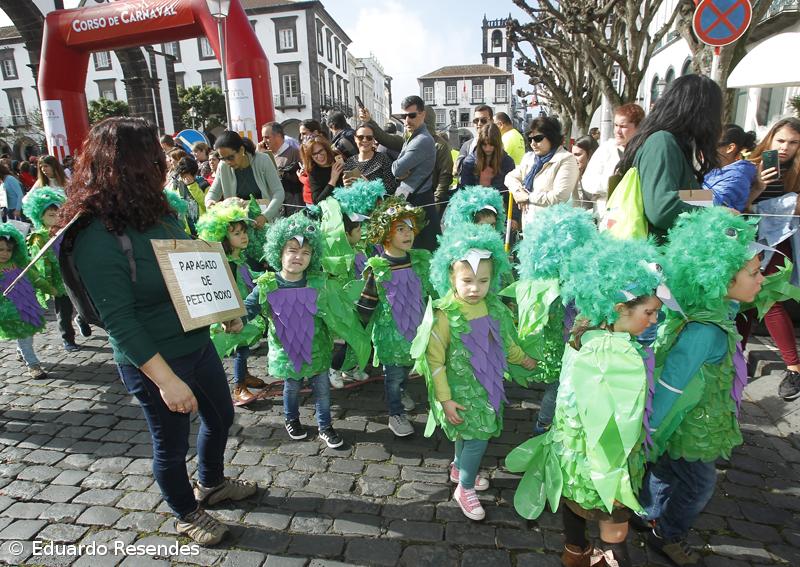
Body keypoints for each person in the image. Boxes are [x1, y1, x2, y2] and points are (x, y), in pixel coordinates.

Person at [61, 117, 256, 546]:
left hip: (195, 344)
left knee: (221, 416)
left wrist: (223, 309)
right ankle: (186, 512)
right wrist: (166, 381)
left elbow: (189, 264)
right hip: (153, 360)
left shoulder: (158, 210)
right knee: (170, 445)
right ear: (129, 163)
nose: (164, 162)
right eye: (154, 155)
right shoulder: (96, 234)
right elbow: (120, 322)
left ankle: (212, 483)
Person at [507, 234, 665, 567]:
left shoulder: (583, 329)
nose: (654, 320)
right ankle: (610, 557)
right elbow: (620, 416)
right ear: (621, 309)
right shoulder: (616, 350)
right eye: (649, 313)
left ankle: (575, 553)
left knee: (575, 501)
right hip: (607, 454)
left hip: (574, 449)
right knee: (614, 519)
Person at [638, 208, 765, 566]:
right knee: (698, 485)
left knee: (665, 471)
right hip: (692, 429)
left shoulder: (716, 312)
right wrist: (650, 431)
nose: (761, 279)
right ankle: (669, 534)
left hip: (693, 423)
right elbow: (671, 383)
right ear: (720, 279)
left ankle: (648, 512)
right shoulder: (703, 331)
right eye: (754, 273)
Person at [413, 225, 537, 521]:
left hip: (488, 385)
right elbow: (436, 362)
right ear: (451, 278)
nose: (474, 288)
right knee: (477, 436)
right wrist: (445, 399)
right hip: (460, 390)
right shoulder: (445, 315)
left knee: (468, 434)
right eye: (467, 280)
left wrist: (525, 360)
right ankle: (464, 488)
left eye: (483, 281)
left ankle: (459, 467)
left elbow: (504, 342)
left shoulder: (493, 307)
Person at [243, 213, 369, 447]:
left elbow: (338, 311)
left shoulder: (319, 283)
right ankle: (291, 419)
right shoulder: (268, 284)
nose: (298, 256)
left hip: (318, 349)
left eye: (305, 252)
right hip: (287, 352)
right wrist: (235, 320)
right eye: (292, 250)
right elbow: (248, 308)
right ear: (279, 252)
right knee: (291, 387)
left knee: (322, 390)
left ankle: (325, 425)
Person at [507, 204, 597, 436]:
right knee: (557, 386)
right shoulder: (546, 286)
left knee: (565, 386)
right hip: (562, 348)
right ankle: (544, 425)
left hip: (581, 347)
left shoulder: (584, 282)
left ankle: (557, 424)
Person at [357, 196, 435, 437]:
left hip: (416, 328)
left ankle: (401, 390)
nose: (408, 233)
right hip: (390, 334)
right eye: (400, 228)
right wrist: (357, 330)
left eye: (411, 227)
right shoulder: (378, 268)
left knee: (408, 368)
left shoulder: (420, 261)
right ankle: (395, 413)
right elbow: (367, 302)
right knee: (393, 375)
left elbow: (431, 292)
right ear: (386, 233)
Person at [616, 75, 722, 243]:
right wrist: (715, 214)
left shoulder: (667, 142)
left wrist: (704, 199)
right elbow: (662, 209)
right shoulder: (663, 142)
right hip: (657, 257)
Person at [742, 117, 800, 400]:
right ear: (769, 140)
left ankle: (793, 367)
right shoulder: (753, 166)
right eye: (780, 141)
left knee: (768, 298)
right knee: (745, 301)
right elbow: (739, 206)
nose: (785, 148)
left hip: (782, 244)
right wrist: (758, 188)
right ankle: (736, 359)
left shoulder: (798, 171)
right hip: (751, 242)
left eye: (793, 143)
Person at [196, 203, 266, 407]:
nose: (243, 236)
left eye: (244, 231)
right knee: (241, 348)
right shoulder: (225, 263)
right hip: (230, 313)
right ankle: (238, 387)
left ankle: (244, 375)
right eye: (236, 233)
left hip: (243, 308)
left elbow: (248, 277)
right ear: (223, 237)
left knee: (243, 345)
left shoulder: (240, 258)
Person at [360, 104, 452, 217]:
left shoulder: (440, 145)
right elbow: (386, 138)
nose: (408, 121)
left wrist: (435, 204)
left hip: (427, 199)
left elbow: (445, 177)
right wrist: (370, 121)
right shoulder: (410, 140)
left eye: (413, 116)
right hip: (411, 196)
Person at [23, 187, 80, 352]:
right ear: (40, 216)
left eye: (58, 214)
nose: (55, 218)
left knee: (83, 301)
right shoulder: (39, 237)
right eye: (50, 215)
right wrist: (47, 284)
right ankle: (67, 337)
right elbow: (40, 263)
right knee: (64, 310)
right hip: (58, 280)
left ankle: (83, 320)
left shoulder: (65, 231)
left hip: (73, 274)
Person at [0, 224, 55, 379]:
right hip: (9, 310)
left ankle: (21, 351)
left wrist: (49, 288)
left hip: (26, 307)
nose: (5, 254)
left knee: (27, 334)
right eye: (1, 249)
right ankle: (33, 364)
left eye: (8, 250)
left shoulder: (19, 266)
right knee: (24, 334)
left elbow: (35, 278)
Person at [505, 116, 580, 228]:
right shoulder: (530, 158)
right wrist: (517, 191)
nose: (533, 143)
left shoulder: (566, 159)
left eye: (538, 138)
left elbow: (560, 196)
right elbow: (510, 177)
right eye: (530, 139)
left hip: (555, 228)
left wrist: (528, 197)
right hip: (530, 225)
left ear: (552, 137)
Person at [390, 96, 440, 251]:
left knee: (421, 255)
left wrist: (398, 172)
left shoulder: (422, 140)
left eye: (412, 115)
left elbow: (396, 169)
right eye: (404, 116)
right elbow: (398, 170)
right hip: (414, 200)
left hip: (420, 202)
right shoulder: (413, 136)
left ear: (423, 115)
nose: (407, 120)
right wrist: (398, 172)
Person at [206, 130, 284, 228]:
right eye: (223, 158)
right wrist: (209, 202)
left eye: (230, 157)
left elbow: (279, 192)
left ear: (242, 150)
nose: (227, 162)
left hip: (268, 222)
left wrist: (265, 216)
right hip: (239, 225)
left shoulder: (263, 160)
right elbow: (213, 193)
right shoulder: (223, 166)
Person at [581, 104, 645, 216]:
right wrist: (613, 181)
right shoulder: (606, 149)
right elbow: (588, 182)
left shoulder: (645, 150)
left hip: (635, 217)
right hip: (607, 217)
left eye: (623, 126)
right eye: (616, 125)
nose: (618, 131)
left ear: (638, 127)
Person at [702, 124, 758, 212]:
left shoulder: (737, 176)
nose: (704, 149)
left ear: (730, 148)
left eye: (710, 145)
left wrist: (678, 195)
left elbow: (714, 201)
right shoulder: (715, 169)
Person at [459, 123, 516, 193]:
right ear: (480, 144)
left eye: (492, 144)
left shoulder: (507, 162)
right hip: (474, 201)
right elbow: (465, 191)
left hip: (500, 202)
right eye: (484, 144)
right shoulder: (469, 162)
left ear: (497, 144)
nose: (488, 149)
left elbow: (509, 191)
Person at [260, 122, 305, 209]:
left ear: (278, 136)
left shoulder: (296, 153)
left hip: (293, 204)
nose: (263, 141)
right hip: (275, 204)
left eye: (267, 137)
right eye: (263, 138)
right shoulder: (265, 156)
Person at [343, 123, 397, 193]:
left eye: (369, 138)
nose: (365, 140)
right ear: (355, 139)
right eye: (360, 137)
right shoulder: (350, 162)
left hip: (377, 203)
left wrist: (369, 185)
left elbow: (392, 187)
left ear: (373, 140)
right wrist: (346, 186)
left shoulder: (383, 159)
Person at [301, 135, 344, 204]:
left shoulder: (337, 157)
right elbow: (317, 201)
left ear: (326, 149)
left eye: (321, 151)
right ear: (311, 157)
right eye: (314, 154)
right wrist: (333, 180)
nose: (319, 156)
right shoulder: (314, 172)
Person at [171, 157, 208, 236]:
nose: (185, 179)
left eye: (188, 175)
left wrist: (192, 185)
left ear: (194, 173)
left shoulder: (203, 184)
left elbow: (206, 205)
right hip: (186, 232)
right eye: (182, 176)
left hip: (204, 229)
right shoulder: (176, 185)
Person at [571, 135, 599, 209]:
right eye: (572, 155)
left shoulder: (598, 179)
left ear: (590, 154)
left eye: (578, 155)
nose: (573, 159)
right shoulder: (576, 173)